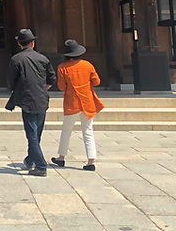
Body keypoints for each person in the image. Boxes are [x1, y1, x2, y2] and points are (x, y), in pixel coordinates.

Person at [6, 28, 56, 177]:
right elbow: (52, 79)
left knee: (32, 134)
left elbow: (11, 82)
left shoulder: (16, 59)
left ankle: (41, 165)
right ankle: (30, 159)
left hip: (27, 100)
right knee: (36, 133)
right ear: (32, 43)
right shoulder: (43, 59)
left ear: (19, 44)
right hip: (41, 98)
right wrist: (41, 88)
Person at [51, 39, 104, 171]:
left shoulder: (62, 67)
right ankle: (91, 160)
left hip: (71, 103)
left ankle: (61, 157)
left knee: (66, 131)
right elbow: (96, 81)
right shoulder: (88, 65)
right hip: (87, 102)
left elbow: (62, 87)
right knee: (88, 131)